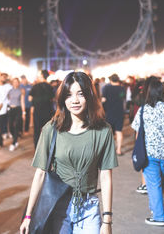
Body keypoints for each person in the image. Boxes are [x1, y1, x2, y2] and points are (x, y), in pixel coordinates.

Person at [20, 71, 118, 234]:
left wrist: (107, 220)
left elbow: (106, 175)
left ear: (89, 96)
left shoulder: (103, 130)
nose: (75, 100)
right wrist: (28, 216)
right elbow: (40, 174)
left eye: (80, 94)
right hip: (58, 207)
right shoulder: (51, 129)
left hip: (89, 209)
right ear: (62, 99)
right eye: (69, 95)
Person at [131, 78, 164, 226]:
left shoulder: (144, 110)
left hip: (149, 152)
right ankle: (155, 208)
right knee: (159, 182)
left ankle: (159, 216)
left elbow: (138, 133)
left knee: (154, 184)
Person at [29, 69, 55, 148]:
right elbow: (53, 99)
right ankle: (47, 147)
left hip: (38, 111)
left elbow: (30, 99)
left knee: (37, 131)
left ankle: (37, 148)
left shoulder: (35, 86)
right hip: (48, 111)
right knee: (47, 131)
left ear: (41, 76)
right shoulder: (50, 87)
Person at [102, 73, 125, 156]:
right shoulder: (122, 88)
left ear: (110, 80)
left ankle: (108, 151)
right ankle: (118, 150)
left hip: (109, 112)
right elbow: (122, 97)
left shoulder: (106, 88)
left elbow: (103, 99)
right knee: (119, 131)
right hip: (119, 112)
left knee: (109, 131)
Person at [0, 73, 12, 149]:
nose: (4, 78)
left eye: (5, 77)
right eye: (3, 77)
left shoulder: (8, 86)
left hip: (5, 109)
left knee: (0, 127)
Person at [8, 78, 25, 151]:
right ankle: (16, 138)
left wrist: (24, 112)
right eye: (14, 82)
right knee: (10, 126)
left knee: (16, 125)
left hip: (18, 109)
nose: (15, 83)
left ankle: (13, 143)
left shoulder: (21, 91)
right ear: (12, 83)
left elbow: (22, 102)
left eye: (17, 82)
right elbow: (9, 100)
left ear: (18, 83)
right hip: (11, 110)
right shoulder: (10, 91)